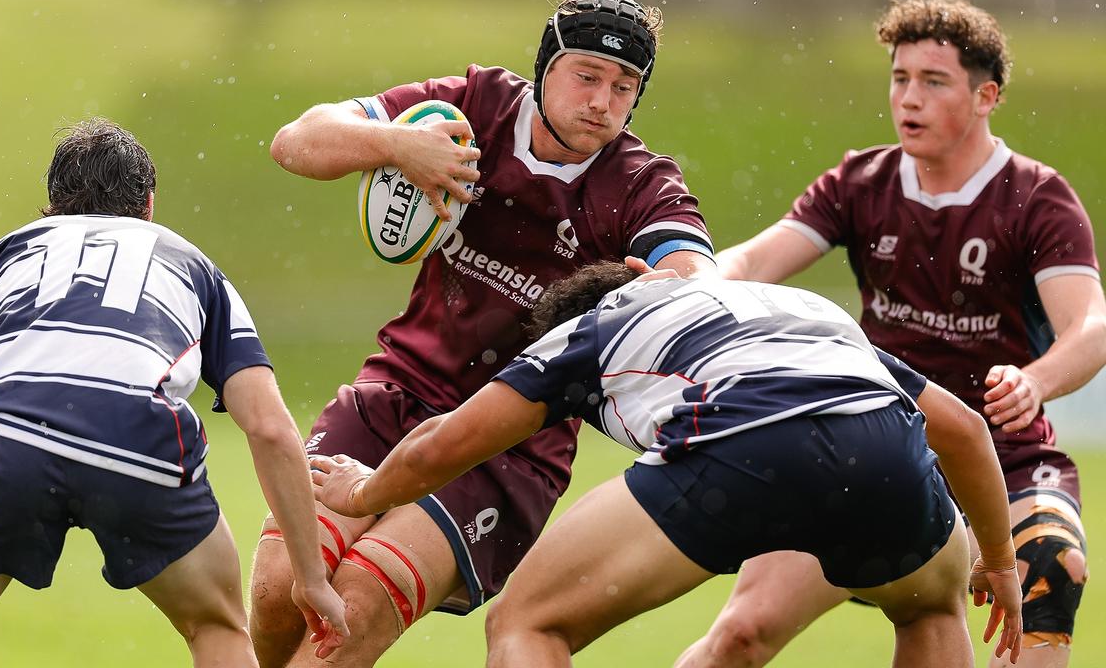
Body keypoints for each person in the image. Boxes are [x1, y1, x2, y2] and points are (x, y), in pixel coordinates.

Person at [254, 0, 717, 667]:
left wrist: (667, 285)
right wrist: (397, 144)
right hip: (395, 394)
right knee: (279, 591)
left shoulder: (639, 182)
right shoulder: (474, 110)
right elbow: (295, 142)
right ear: (545, 69)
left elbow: (696, 276)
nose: (602, 102)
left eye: (624, 87)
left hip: (508, 445)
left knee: (351, 610)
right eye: (586, 75)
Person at [310, 260, 1024, 667]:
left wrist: (365, 486)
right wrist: (998, 560)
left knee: (528, 624)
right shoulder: (790, 305)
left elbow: (447, 443)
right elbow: (961, 430)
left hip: (746, 442)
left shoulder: (590, 330)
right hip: (887, 446)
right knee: (931, 608)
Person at [683, 0, 1106, 668]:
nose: (909, 98)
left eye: (933, 82)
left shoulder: (1035, 198)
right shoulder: (862, 182)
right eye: (899, 78)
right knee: (740, 633)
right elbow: (756, 261)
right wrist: (687, 281)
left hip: (1007, 461)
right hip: (874, 447)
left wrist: (1034, 381)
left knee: (1054, 567)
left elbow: (1089, 326)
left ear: (986, 96)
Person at [0, 118, 348, 667]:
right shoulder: (191, 264)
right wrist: (310, 578)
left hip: (5, 442)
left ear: (52, 206)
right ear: (150, 205)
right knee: (217, 626)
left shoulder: (3, 255)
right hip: (136, 442)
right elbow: (271, 428)